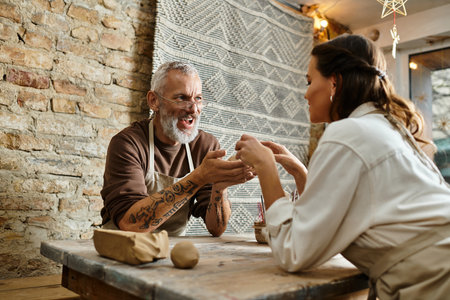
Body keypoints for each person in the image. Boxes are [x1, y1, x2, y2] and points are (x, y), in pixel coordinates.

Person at [235, 34, 450, 299]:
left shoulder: (347, 132)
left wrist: (267, 168)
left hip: (434, 280)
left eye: (309, 81)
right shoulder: (386, 127)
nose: (305, 93)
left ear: (334, 81)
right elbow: (339, 215)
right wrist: (302, 174)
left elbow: (293, 251)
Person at [101, 61, 253, 237]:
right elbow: (131, 224)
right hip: (119, 251)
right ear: (154, 101)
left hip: (170, 253)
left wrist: (221, 186)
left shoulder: (205, 146)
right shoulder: (128, 144)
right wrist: (199, 176)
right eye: (181, 98)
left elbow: (216, 228)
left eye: (198, 98)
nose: (194, 109)